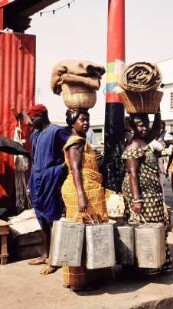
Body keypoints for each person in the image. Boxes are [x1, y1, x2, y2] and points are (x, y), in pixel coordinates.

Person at [61, 108, 109, 291]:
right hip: (80, 192)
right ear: (73, 122)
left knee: (89, 234)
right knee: (80, 235)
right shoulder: (75, 143)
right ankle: (79, 279)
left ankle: (89, 276)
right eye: (82, 120)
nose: (86, 123)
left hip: (87, 190)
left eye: (87, 120)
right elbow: (75, 169)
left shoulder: (82, 141)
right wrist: (82, 196)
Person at [121, 113, 173, 275]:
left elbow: (156, 128)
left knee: (157, 225)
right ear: (132, 127)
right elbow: (132, 173)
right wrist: (137, 200)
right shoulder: (134, 145)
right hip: (141, 194)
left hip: (152, 192)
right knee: (145, 226)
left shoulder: (146, 139)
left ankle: (156, 262)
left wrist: (157, 111)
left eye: (145, 124)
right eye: (140, 125)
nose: (144, 128)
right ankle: (143, 266)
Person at [27, 104, 71, 274]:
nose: (31, 123)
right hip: (37, 180)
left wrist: (61, 168)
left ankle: (54, 259)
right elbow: (35, 158)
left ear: (43, 115)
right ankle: (45, 254)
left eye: (33, 119)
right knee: (41, 218)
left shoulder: (56, 131)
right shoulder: (35, 135)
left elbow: (74, 144)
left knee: (52, 217)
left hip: (51, 179)